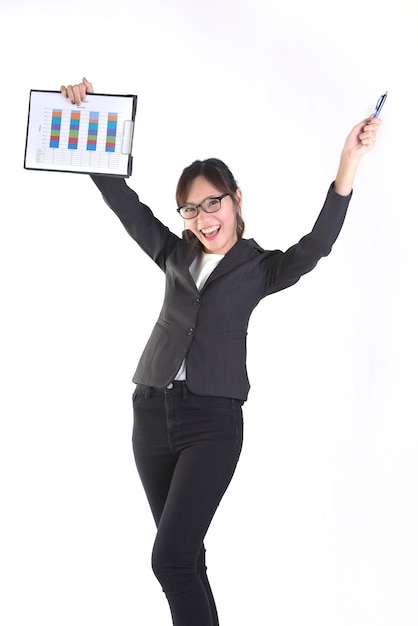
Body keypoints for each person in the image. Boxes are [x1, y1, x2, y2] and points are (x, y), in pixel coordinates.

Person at [60, 78, 381, 626]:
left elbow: (318, 245)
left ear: (235, 200)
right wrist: (88, 121)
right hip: (152, 412)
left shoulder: (259, 268)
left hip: (213, 421)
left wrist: (348, 161)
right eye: (190, 209)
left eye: (213, 203)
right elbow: (126, 205)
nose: (204, 218)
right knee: (187, 559)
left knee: (169, 559)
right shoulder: (173, 253)